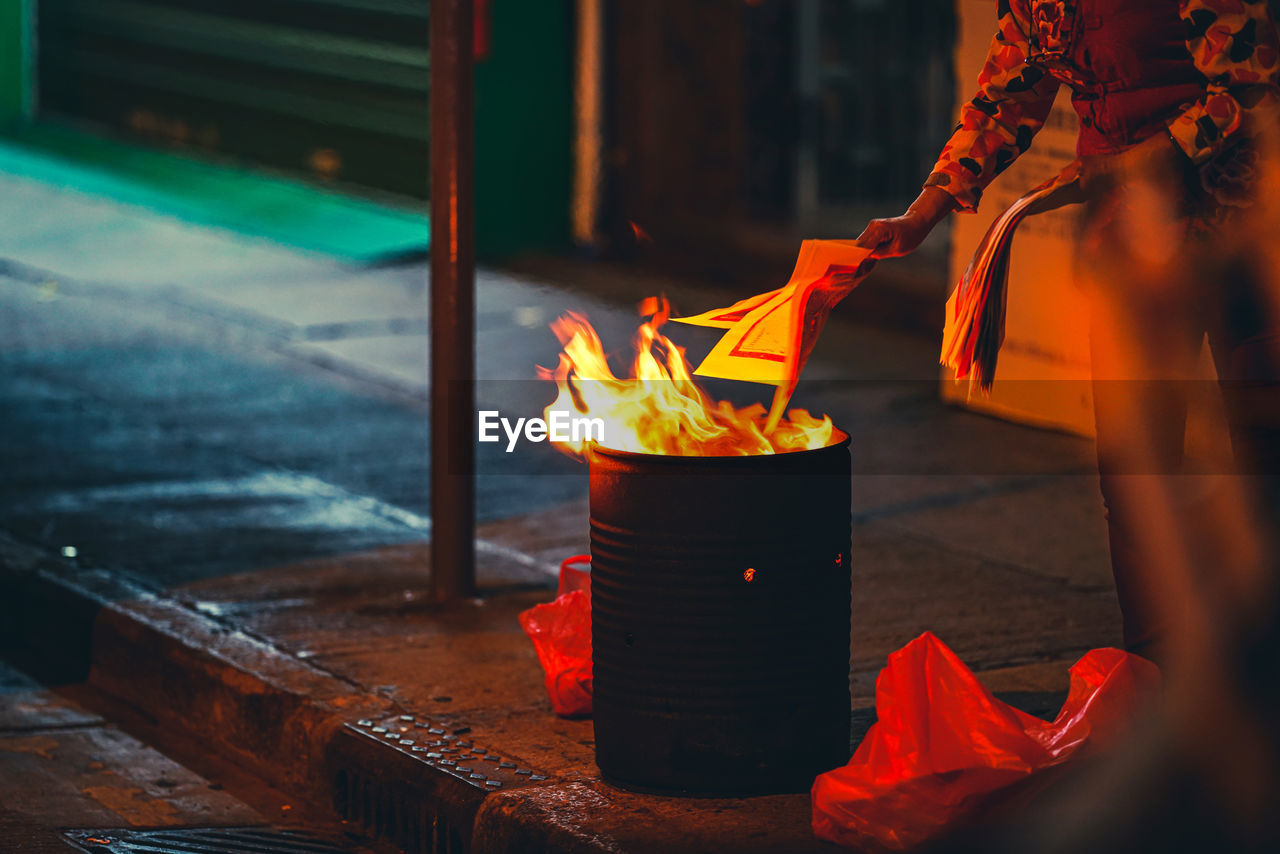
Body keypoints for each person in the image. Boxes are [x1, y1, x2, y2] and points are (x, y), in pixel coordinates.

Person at [855, 0, 1280, 661]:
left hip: (1244, 232)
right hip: (1132, 249)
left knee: (1264, 459)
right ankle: (1151, 680)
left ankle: (1260, 679)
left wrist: (1124, 165)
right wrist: (920, 215)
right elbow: (1002, 103)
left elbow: (1252, 89)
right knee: (1136, 474)